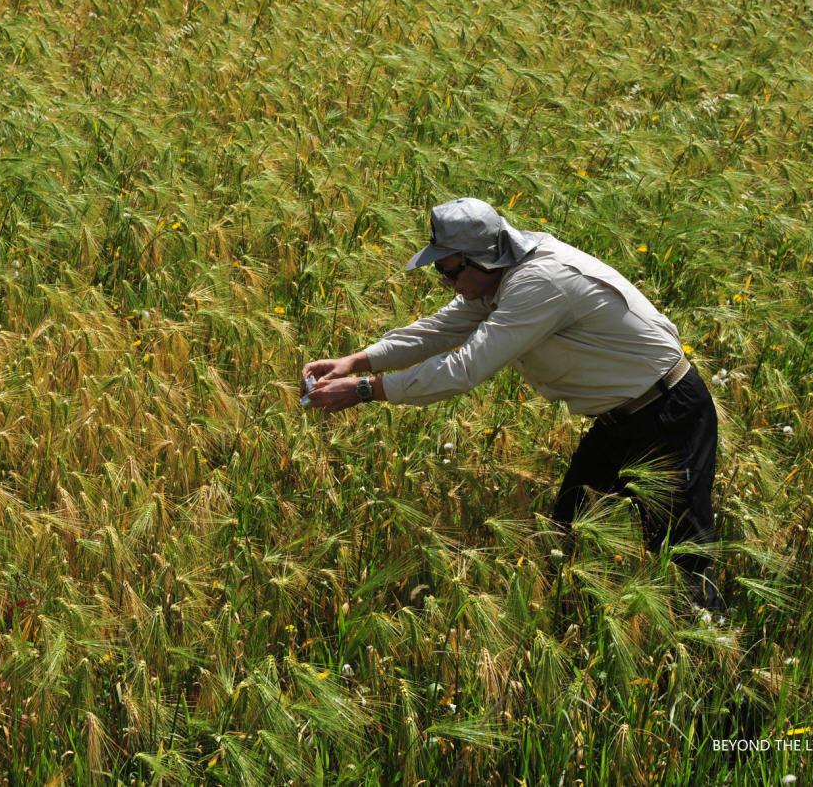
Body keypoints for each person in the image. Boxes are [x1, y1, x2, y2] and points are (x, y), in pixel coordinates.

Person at [301, 198, 724, 613]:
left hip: (668, 415)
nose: (448, 285)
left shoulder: (539, 283)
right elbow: (437, 330)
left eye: (448, 272)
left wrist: (364, 390)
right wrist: (357, 361)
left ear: (479, 259)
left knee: (682, 558)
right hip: (620, 421)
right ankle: (574, 633)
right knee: (567, 533)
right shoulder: (497, 275)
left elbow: (464, 368)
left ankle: (709, 652)